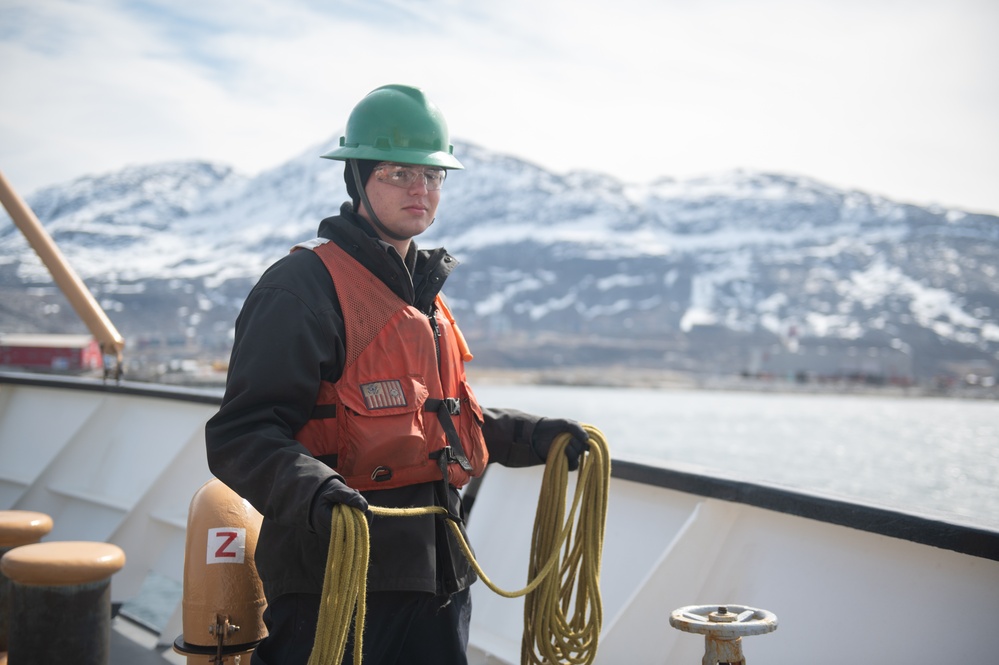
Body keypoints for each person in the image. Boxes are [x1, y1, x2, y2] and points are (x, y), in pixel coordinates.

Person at [205, 83, 589, 665]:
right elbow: (241, 435)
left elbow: (444, 421)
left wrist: (534, 435)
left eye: (433, 176)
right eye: (397, 173)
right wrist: (315, 492)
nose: (420, 189)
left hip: (438, 580)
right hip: (332, 584)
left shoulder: (422, 295)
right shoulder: (301, 290)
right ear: (358, 177)